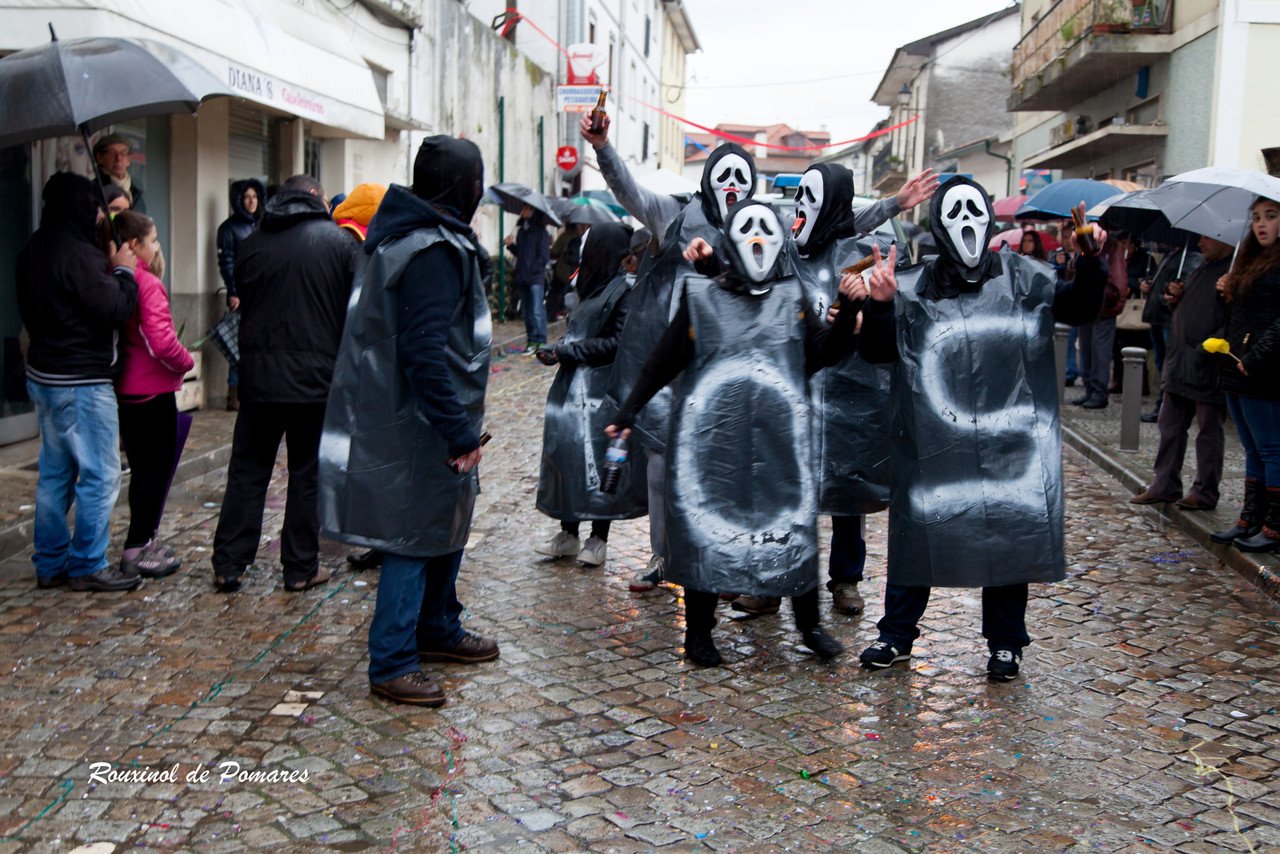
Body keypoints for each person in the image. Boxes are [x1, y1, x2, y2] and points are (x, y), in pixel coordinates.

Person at [581, 112, 934, 593]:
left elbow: (831, 218)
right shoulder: (675, 215)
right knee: (666, 467)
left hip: (750, 369)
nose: (731, 184)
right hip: (687, 358)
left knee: (747, 471)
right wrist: (603, 148)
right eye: (722, 174)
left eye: (739, 177)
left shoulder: (768, 224)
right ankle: (668, 558)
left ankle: (748, 569)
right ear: (708, 178)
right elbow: (631, 194)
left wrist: (893, 204)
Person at [856, 177, 1108, 682]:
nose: (966, 223)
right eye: (954, 213)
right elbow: (878, 352)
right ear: (938, 226)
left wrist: (1091, 262)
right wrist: (881, 306)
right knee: (919, 530)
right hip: (932, 441)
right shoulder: (913, 285)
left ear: (990, 220)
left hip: (1006, 442)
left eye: (974, 211)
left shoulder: (1023, 277)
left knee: (1008, 533)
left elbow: (1079, 306)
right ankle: (897, 633)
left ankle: (1006, 643)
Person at [608, 201, 865, 666]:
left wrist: (847, 312)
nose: (758, 238)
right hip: (713, 445)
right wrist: (628, 412)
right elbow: (663, 360)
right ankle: (698, 633)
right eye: (747, 229)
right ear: (730, 240)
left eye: (766, 229)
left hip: (780, 446)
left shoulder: (791, 298)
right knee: (707, 533)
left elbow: (820, 355)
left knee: (793, 531)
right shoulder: (701, 298)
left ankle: (809, 625)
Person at [319, 136, 498, 707]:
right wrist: (457, 428)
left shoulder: (410, 237)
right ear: (460, 187)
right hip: (419, 422)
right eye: (475, 181)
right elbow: (422, 352)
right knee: (411, 537)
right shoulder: (431, 249)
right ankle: (393, 660)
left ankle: (438, 626)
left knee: (443, 523)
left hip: (426, 418)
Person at [731, 161, 935, 620]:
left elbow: (895, 309)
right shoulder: (787, 252)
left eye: (812, 196)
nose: (801, 207)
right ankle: (771, 583)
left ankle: (846, 579)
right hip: (795, 393)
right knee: (785, 490)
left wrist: (867, 317)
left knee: (848, 491)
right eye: (799, 196)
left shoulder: (864, 252)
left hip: (851, 395)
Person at [210, 175, 356, 592]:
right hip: (315, 381)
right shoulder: (338, 242)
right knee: (307, 474)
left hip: (259, 379)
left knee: (247, 470)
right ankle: (300, 568)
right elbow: (354, 310)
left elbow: (245, 293)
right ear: (314, 197)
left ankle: (228, 564)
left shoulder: (254, 242)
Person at [16, 173, 140, 591]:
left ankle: (50, 562)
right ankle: (87, 562)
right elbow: (115, 308)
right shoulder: (79, 255)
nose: (98, 215)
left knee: (55, 474)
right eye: (94, 207)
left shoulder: (33, 248)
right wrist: (123, 271)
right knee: (100, 475)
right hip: (81, 380)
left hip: (45, 375)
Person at [534, 222, 644, 567]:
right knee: (567, 457)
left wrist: (568, 352)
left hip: (601, 392)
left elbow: (617, 342)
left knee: (598, 460)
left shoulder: (623, 290)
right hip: (571, 392)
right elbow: (579, 332)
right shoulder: (589, 285)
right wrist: (555, 349)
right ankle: (568, 532)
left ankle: (598, 538)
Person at [112, 210, 195, 578]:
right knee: (153, 472)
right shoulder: (146, 283)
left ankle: (145, 541)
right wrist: (185, 361)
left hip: (128, 388)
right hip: (151, 390)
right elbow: (161, 341)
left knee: (144, 470)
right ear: (135, 245)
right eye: (154, 240)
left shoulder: (116, 278)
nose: (157, 246)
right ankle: (137, 548)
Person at [1129, 234, 1229, 510]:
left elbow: (1232, 318)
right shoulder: (1201, 268)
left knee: (1208, 431)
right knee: (1170, 426)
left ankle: (1204, 491)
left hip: (1207, 363)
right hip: (1180, 359)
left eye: (1207, 237)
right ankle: (1165, 484)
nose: (1201, 242)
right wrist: (1175, 298)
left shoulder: (1231, 273)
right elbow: (1187, 310)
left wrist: (1208, 348)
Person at [1208, 197, 1280, 553]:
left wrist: (1258, 357)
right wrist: (1226, 292)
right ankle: (1250, 518)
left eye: (1270, 216)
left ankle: (1275, 526)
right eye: (1256, 217)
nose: (1261, 224)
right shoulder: (1250, 259)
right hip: (1237, 364)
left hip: (1264, 370)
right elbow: (1243, 314)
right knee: (1251, 448)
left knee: (1271, 448)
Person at [215, 179, 265, 412]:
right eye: (247, 197)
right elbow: (226, 263)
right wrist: (234, 292)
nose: (251, 201)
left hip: (260, 294)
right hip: (241, 296)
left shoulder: (261, 224)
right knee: (238, 344)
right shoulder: (228, 228)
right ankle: (233, 394)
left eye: (255, 196)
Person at [1140, 242, 1203, 422]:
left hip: (1169, 317)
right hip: (1158, 316)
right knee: (1162, 362)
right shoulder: (1171, 254)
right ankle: (1163, 406)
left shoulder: (1191, 256)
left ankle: (1166, 407)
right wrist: (1148, 285)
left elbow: (1184, 284)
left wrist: (1167, 291)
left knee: (1169, 365)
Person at [1072, 231, 1125, 409]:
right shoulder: (1084, 245)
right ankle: (1090, 389)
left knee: (1100, 352)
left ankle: (1099, 392)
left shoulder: (1113, 247)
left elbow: (1118, 278)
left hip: (1103, 307)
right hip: (1086, 305)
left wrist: (1110, 298)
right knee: (1086, 350)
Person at [506, 204, 551, 354]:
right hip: (523, 277)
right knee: (526, 311)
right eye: (523, 208)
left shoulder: (541, 232)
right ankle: (531, 340)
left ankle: (541, 340)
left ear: (532, 211)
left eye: (526, 208)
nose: (523, 210)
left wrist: (532, 270)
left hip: (535, 278)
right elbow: (521, 253)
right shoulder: (521, 232)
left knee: (537, 310)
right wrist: (511, 246)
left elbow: (543, 256)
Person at [93, 133, 145, 214]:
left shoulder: (136, 195)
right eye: (112, 153)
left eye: (123, 153)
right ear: (99, 158)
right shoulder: (92, 191)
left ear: (128, 159)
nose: (118, 158)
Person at [548, 223, 587, 319]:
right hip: (574, 274)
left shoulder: (566, 237)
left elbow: (555, 252)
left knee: (557, 292)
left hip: (566, 272)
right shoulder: (577, 240)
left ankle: (555, 313)